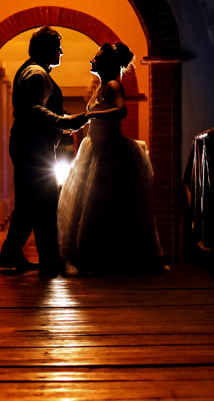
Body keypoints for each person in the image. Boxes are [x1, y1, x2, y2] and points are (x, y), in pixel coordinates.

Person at [58, 42, 163, 274]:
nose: (91, 61)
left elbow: (121, 110)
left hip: (109, 153)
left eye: (96, 58)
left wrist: (89, 115)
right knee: (92, 207)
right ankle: (98, 257)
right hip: (94, 149)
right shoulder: (103, 85)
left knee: (104, 206)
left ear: (108, 63)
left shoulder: (113, 85)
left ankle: (109, 259)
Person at [0, 27, 89, 276]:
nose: (61, 52)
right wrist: (66, 122)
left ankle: (11, 254)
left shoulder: (35, 71)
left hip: (30, 145)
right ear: (44, 49)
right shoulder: (36, 74)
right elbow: (32, 110)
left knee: (29, 204)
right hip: (33, 147)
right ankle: (49, 262)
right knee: (46, 204)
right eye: (57, 47)